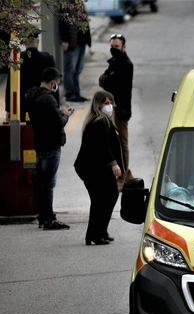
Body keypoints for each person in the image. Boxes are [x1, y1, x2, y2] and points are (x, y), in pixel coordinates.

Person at [25, 67, 74, 230]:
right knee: (48, 184)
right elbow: (58, 123)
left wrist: (58, 112)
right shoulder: (48, 98)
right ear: (53, 82)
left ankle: (42, 216)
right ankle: (49, 219)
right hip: (51, 145)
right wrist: (65, 114)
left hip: (39, 144)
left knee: (40, 182)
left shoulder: (33, 95)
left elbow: (45, 117)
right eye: (57, 83)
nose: (57, 86)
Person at [74, 91, 123, 245]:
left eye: (111, 103)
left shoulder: (105, 121)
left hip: (99, 168)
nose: (109, 106)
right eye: (106, 103)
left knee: (109, 196)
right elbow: (102, 147)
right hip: (93, 169)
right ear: (98, 105)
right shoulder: (99, 122)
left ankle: (100, 231)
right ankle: (94, 235)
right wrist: (113, 163)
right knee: (100, 200)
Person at [99, 34, 134, 188]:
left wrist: (105, 79)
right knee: (113, 142)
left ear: (123, 47)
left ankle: (123, 175)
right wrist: (105, 79)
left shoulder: (125, 64)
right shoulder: (115, 62)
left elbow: (108, 81)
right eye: (112, 47)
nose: (113, 49)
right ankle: (127, 173)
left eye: (117, 47)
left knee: (122, 143)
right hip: (112, 110)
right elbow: (104, 80)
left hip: (121, 110)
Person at [4, 29, 59, 123]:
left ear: (25, 43)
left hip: (23, 106)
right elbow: (54, 85)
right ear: (38, 42)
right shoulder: (48, 58)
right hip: (44, 106)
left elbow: (10, 85)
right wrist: (56, 106)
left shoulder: (17, 59)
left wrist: (9, 109)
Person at [59, 7, 91, 102]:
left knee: (78, 70)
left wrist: (88, 40)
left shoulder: (79, 4)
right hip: (72, 43)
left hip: (82, 41)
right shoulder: (66, 5)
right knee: (70, 69)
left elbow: (85, 22)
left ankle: (77, 94)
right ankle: (70, 94)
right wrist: (65, 40)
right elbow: (62, 23)